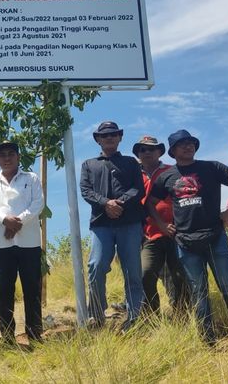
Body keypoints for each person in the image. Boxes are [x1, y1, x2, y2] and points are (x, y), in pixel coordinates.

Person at [147, 130, 228, 344]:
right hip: (185, 243)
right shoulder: (167, 176)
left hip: (215, 237)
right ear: (173, 151)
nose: (188, 146)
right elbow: (149, 202)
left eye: (191, 143)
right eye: (182, 144)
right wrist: (161, 225)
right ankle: (208, 341)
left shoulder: (211, 167)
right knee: (198, 292)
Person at [80, 121, 145, 331]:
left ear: (120, 137)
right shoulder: (89, 164)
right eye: (104, 135)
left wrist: (120, 203)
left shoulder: (131, 163)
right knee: (96, 266)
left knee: (132, 270)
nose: (109, 138)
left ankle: (135, 316)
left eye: (113, 134)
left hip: (129, 224)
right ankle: (97, 315)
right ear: (98, 139)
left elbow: (138, 188)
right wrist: (105, 203)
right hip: (101, 225)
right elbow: (86, 191)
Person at [0, 140, 44, 344]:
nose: (7, 158)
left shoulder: (31, 178)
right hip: (3, 244)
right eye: (2, 155)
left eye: (11, 154)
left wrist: (17, 222)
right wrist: (4, 220)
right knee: (4, 290)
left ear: (18, 157)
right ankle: (7, 337)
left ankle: (34, 334)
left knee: (31, 289)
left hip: (30, 242)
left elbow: (38, 204)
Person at [133, 135, 190, 315]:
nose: (147, 152)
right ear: (138, 154)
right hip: (148, 234)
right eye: (143, 149)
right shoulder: (133, 174)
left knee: (180, 275)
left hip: (176, 232)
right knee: (145, 274)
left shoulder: (172, 171)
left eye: (152, 149)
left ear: (160, 151)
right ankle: (152, 316)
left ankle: (182, 315)